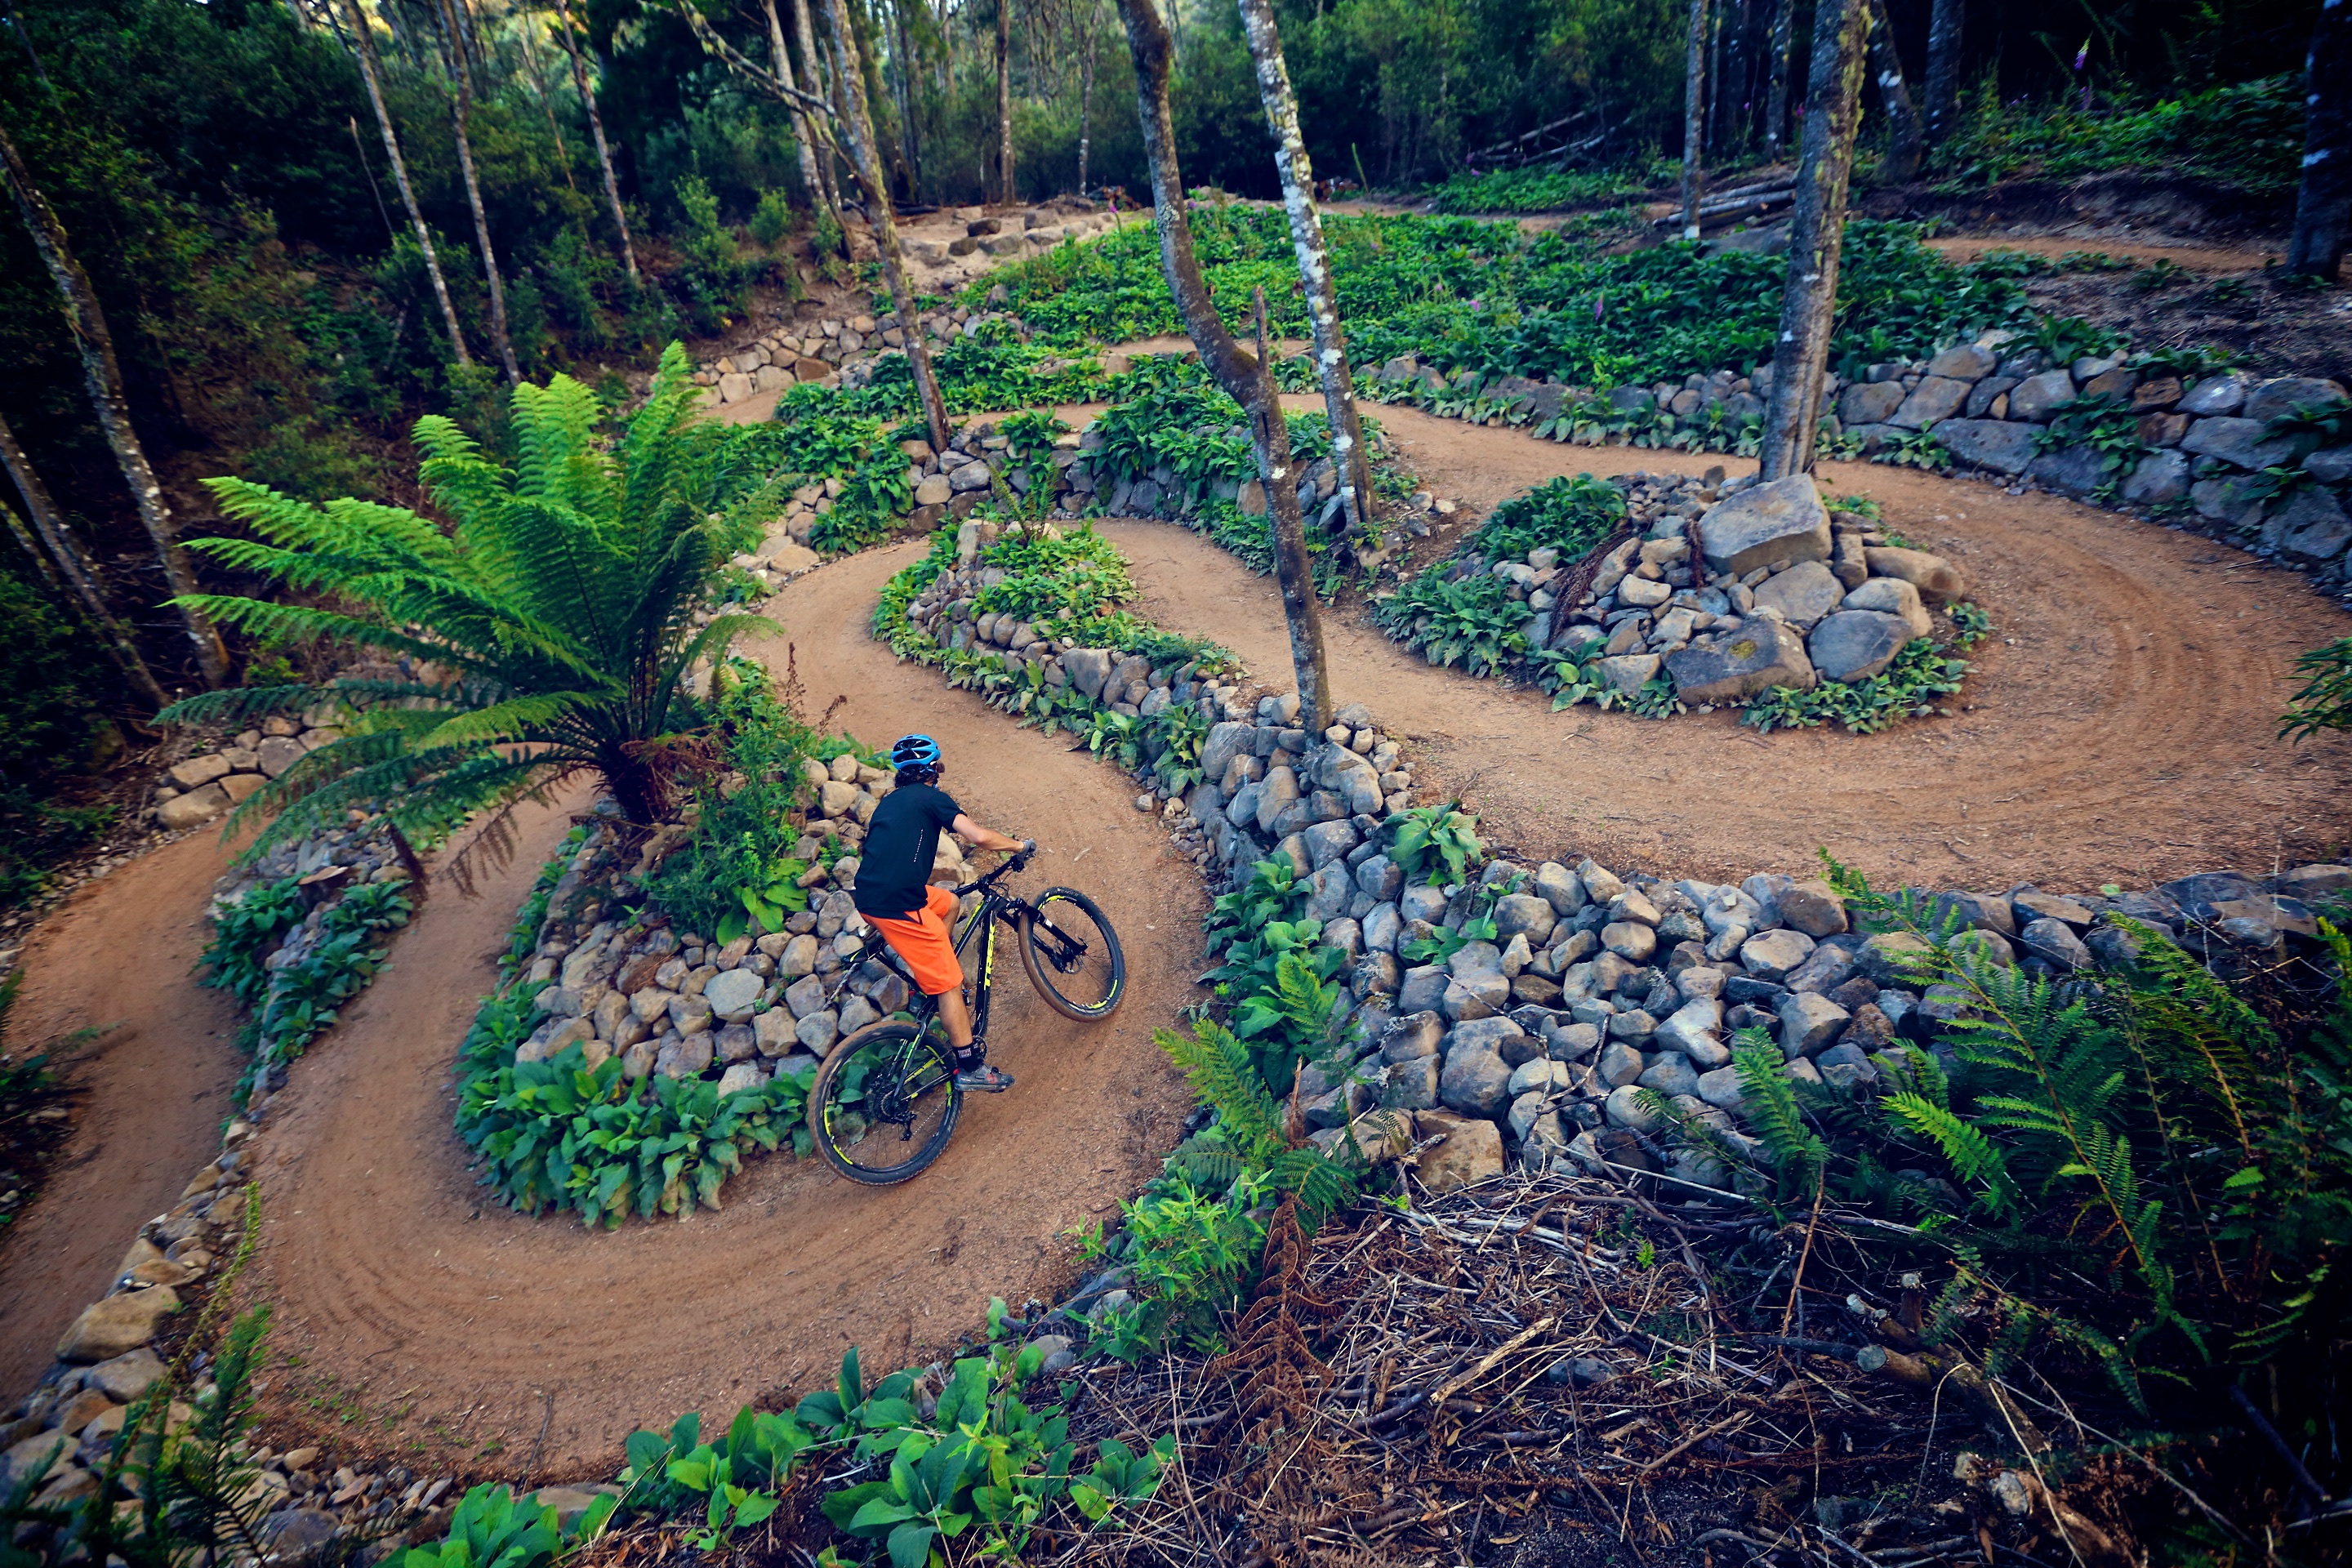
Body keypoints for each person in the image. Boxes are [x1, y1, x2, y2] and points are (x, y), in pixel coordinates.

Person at [850, 733, 1027, 1092]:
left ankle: (930, 971)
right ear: (933, 770)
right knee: (951, 984)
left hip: (869, 897)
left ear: (900, 773)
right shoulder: (932, 798)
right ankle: (968, 1067)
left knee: (948, 903)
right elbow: (976, 836)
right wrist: (1019, 845)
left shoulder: (889, 803)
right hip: (899, 905)